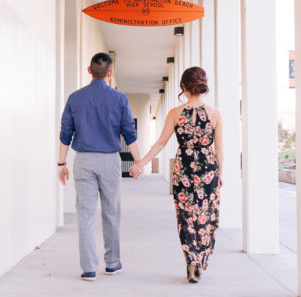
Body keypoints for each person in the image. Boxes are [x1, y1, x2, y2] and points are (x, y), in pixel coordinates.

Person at [131, 66, 222, 283]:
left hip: (184, 170)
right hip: (208, 171)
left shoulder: (175, 113)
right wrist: (221, 174)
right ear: (203, 85)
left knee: (185, 217)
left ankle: (191, 261)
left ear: (183, 86)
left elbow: (161, 142)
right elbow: (220, 149)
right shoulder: (215, 114)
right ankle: (200, 261)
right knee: (206, 217)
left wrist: (141, 164)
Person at [58, 52, 141, 281]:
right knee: (112, 212)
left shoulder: (75, 98)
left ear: (89, 70)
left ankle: (89, 269)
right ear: (110, 73)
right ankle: (112, 264)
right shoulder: (119, 98)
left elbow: (65, 134)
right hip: (110, 160)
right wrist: (138, 162)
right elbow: (129, 133)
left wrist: (61, 163)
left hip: (83, 160)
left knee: (85, 215)